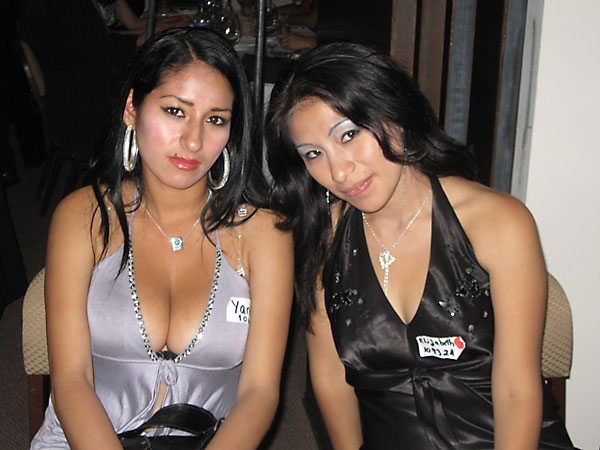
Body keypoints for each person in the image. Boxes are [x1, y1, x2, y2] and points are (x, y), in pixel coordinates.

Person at [265, 42, 575, 449]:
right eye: (313, 154)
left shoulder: (498, 222)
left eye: (350, 135)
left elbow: (517, 389)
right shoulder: (325, 235)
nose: (339, 171)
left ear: (392, 112)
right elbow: (330, 379)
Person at [31, 27, 293, 449]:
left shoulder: (263, 232)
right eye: (175, 111)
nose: (193, 140)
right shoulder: (84, 217)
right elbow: (71, 381)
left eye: (215, 119)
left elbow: (259, 394)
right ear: (132, 109)